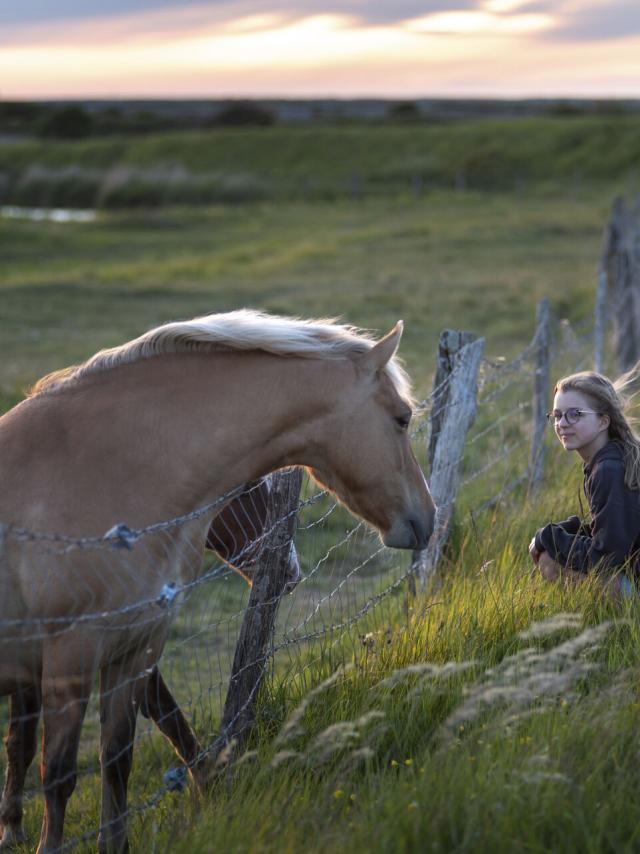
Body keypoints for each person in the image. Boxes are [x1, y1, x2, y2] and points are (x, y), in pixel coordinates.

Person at [529, 368, 640, 596]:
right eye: (557, 415)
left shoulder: (610, 469)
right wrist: (565, 530)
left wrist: (547, 538)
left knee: (549, 560)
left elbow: (606, 556)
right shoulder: (610, 459)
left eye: (575, 414)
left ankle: (627, 613)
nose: (562, 423)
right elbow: (613, 530)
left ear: (603, 421)